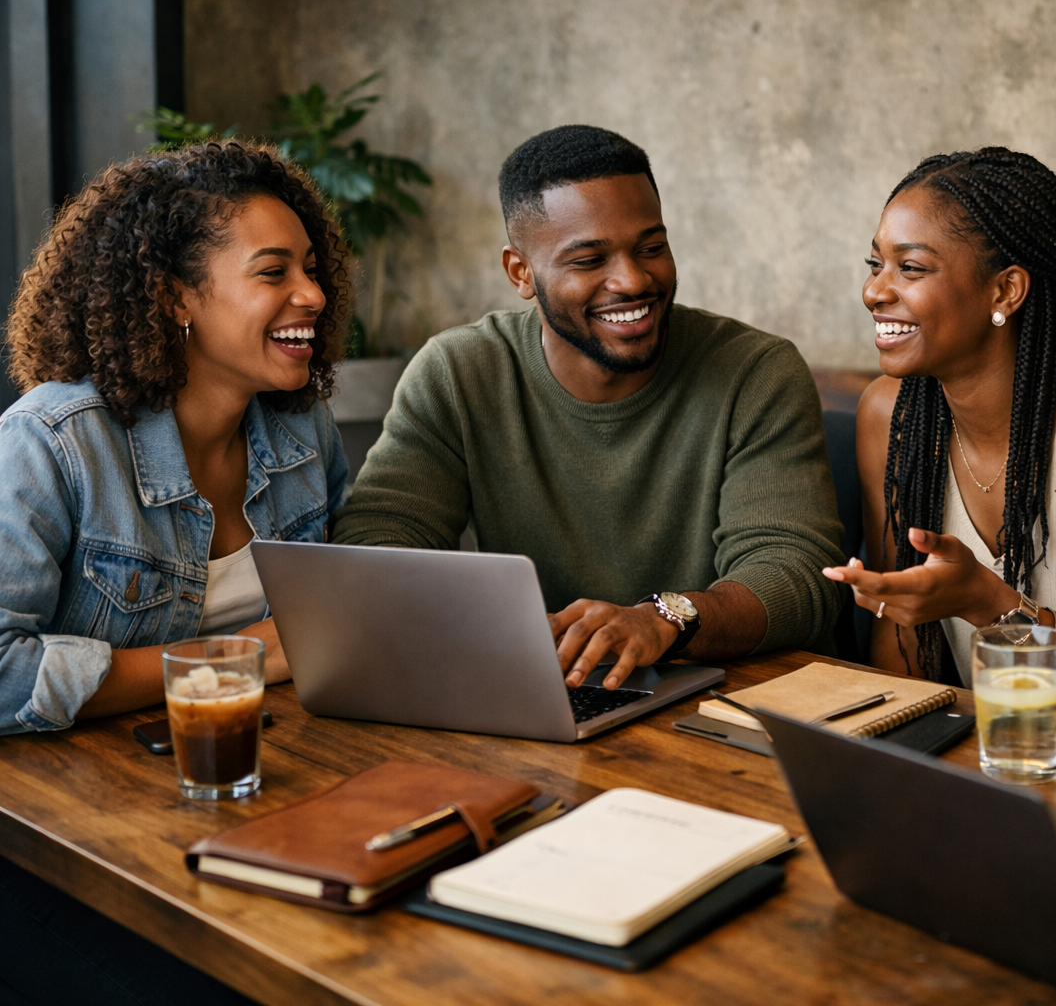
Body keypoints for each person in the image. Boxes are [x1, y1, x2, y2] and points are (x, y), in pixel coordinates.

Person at [332, 125, 843, 689]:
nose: (632, 280)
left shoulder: (756, 371)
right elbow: (376, 547)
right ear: (521, 273)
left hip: (729, 695)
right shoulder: (459, 373)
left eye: (651, 248)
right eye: (589, 260)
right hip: (547, 691)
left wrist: (662, 619)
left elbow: (796, 576)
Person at [821, 148, 1056, 694]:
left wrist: (992, 604)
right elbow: (902, 646)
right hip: (977, 738)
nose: (874, 292)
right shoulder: (890, 414)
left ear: (1005, 290)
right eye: (875, 265)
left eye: (910, 268)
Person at [0, 141, 351, 735]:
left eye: (311, 270)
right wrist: (233, 660)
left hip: (275, 748)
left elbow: (353, 595)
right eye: (273, 272)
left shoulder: (303, 424)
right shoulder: (52, 442)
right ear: (174, 296)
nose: (313, 295)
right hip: (87, 781)